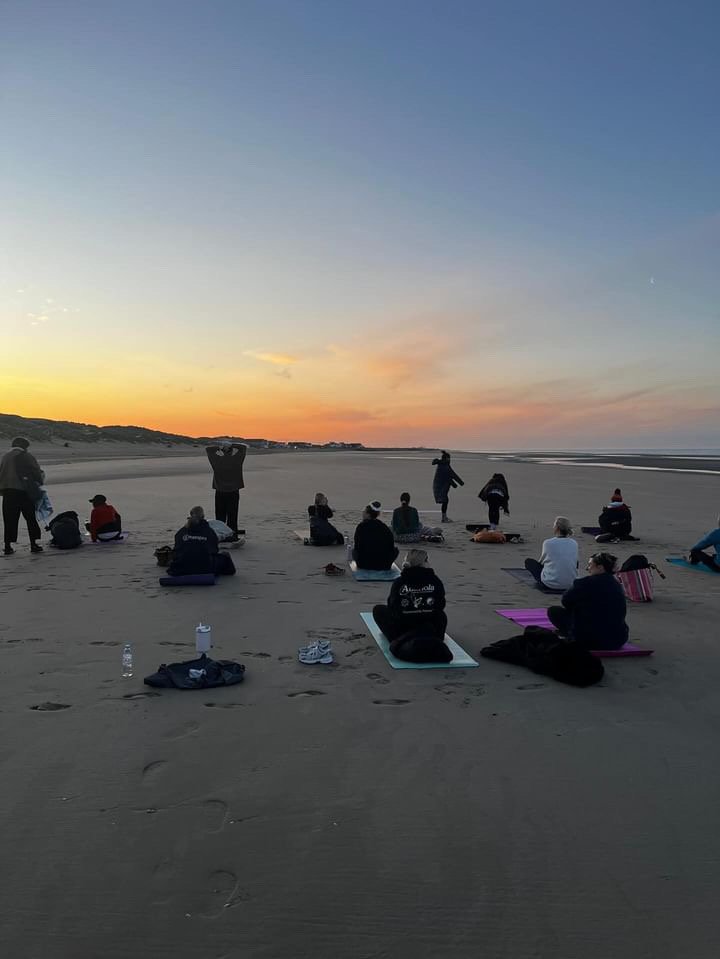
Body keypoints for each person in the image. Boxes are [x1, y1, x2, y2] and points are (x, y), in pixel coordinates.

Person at [547, 552, 629, 650]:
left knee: (554, 611)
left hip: (587, 640)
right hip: (617, 640)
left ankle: (569, 632)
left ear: (600, 567)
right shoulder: (617, 585)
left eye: (590, 565)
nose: (588, 568)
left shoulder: (584, 583)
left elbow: (566, 601)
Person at [372, 548, 447, 640]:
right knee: (441, 615)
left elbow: (392, 607)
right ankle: (436, 636)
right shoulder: (435, 580)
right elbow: (441, 604)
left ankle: (399, 637)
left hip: (402, 632)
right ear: (425, 562)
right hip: (430, 629)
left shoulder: (399, 582)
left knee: (378, 610)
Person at [0, 436, 44, 555]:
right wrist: (40, 481)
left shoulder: (5, 457)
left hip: (8, 492)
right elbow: (36, 472)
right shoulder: (27, 456)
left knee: (9, 520)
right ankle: (34, 544)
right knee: (30, 518)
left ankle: (8, 546)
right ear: (24, 446)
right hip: (24, 492)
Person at [167, 506, 235, 577]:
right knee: (225, 556)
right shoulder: (209, 532)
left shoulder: (181, 532)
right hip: (205, 568)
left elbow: (176, 551)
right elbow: (214, 550)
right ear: (203, 516)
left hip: (182, 567)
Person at [206, 440, 248, 541]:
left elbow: (209, 450)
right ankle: (232, 535)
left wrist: (220, 447)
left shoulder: (217, 460)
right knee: (232, 515)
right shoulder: (237, 459)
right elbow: (243, 448)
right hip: (233, 491)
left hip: (220, 491)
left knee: (220, 516)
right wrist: (232, 445)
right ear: (231, 451)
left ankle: (221, 534)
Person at [524, 516, 578, 591]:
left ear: (557, 528)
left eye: (554, 525)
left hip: (550, 584)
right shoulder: (574, 543)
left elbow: (542, 562)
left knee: (529, 562)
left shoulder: (548, 543)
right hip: (570, 583)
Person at [353, 501, 398, 570]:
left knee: (354, 551)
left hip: (364, 564)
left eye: (364, 512)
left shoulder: (361, 527)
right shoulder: (384, 527)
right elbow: (391, 546)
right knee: (395, 550)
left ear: (368, 514)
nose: (363, 513)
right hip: (384, 564)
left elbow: (357, 546)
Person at [431, 451, 464, 523]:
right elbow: (448, 476)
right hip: (440, 487)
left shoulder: (445, 465)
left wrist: (460, 482)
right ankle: (444, 518)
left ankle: (444, 517)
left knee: (445, 501)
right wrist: (454, 484)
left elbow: (452, 474)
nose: (450, 459)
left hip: (441, 486)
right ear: (446, 458)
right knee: (445, 500)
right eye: (449, 458)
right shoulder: (444, 466)